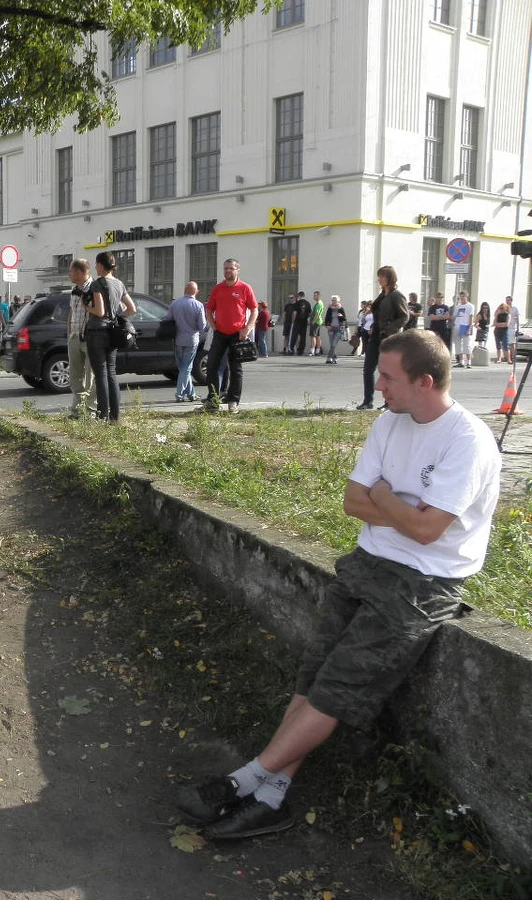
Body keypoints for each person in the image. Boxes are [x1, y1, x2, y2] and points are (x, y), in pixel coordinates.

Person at [175, 329, 501, 840]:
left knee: (337, 689)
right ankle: (273, 798)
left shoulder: (467, 440)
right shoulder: (389, 422)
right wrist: (403, 508)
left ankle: (245, 781)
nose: (378, 385)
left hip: (423, 582)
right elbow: (353, 501)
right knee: (314, 679)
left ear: (425, 381)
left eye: (388, 377)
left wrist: (384, 498)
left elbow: (427, 531)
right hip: (368, 562)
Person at [83, 251, 136, 423]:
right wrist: (117, 317)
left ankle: (102, 416)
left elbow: (99, 311)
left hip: (97, 332)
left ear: (100, 265)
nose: (95, 267)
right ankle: (114, 417)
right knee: (111, 373)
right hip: (112, 333)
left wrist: (86, 307)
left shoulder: (97, 284)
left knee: (100, 374)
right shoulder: (119, 284)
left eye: (96, 264)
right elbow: (132, 309)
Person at [202, 258, 257, 414]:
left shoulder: (245, 288)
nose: (227, 271)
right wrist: (213, 326)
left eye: (231, 268)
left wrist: (247, 328)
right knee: (211, 366)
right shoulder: (218, 288)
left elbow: (254, 310)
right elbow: (209, 309)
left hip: (237, 335)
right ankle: (213, 401)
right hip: (220, 334)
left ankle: (233, 402)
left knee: (235, 369)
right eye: (225, 268)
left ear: (237, 270)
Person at [358, 266, 409, 410]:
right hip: (375, 336)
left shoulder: (396, 295)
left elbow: (404, 316)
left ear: (390, 278)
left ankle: (389, 402)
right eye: (379, 276)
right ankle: (368, 401)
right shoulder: (382, 295)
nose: (379, 279)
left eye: (382, 276)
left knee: (387, 371)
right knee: (368, 369)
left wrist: (389, 329)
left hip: (388, 338)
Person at [167, 281, 208, 403]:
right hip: (192, 340)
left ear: (185, 290)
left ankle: (191, 394)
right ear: (197, 291)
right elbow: (202, 326)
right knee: (186, 369)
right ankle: (179, 395)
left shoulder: (175, 304)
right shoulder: (198, 305)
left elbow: (168, 319)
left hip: (178, 339)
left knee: (183, 368)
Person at [65, 258, 95, 418]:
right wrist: (69, 331)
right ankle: (77, 410)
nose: (69, 274)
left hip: (90, 338)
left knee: (91, 376)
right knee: (75, 376)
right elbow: (72, 312)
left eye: (70, 271)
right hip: (75, 336)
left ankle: (89, 411)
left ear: (78, 272)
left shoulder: (95, 288)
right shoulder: (74, 290)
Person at [451, 291, 475, 368]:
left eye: (463, 296)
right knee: (458, 345)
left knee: (467, 345)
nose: (462, 298)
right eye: (461, 296)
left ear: (466, 297)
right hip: (457, 326)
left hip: (465, 326)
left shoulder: (470, 306)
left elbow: (471, 318)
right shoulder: (458, 306)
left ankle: (468, 362)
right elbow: (454, 316)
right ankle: (461, 362)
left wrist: (469, 328)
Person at [324, 295, 347, 364]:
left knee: (333, 344)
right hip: (331, 329)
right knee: (332, 344)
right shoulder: (330, 309)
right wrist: (327, 325)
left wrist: (341, 316)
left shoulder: (341, 309)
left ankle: (329, 358)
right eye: (332, 300)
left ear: (338, 301)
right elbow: (326, 318)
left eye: (335, 300)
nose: (333, 301)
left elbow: (344, 319)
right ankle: (334, 358)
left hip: (338, 329)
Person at [289, 291, 311, 357]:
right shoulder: (308, 303)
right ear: (304, 296)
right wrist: (307, 318)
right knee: (303, 337)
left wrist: (293, 321)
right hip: (304, 322)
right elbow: (310, 313)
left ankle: (291, 349)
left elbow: (294, 313)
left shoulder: (297, 303)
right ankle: (301, 351)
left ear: (299, 296)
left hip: (297, 322)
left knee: (294, 336)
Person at [493, 299, 512, 363]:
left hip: (504, 331)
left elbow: (507, 324)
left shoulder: (508, 315)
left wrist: (499, 324)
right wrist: (501, 324)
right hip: (497, 331)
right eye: (500, 308)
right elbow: (494, 323)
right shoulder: (498, 315)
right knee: (498, 346)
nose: (500, 309)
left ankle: (509, 359)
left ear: (505, 308)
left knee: (506, 345)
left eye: (502, 308)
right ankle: (499, 359)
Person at [308, 291, 324, 357]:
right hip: (318, 322)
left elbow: (317, 314)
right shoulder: (319, 303)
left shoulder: (319, 304)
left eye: (315, 295)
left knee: (313, 336)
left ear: (319, 296)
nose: (314, 297)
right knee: (317, 336)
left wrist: (313, 322)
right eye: (314, 295)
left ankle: (312, 350)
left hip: (316, 322)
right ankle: (317, 350)